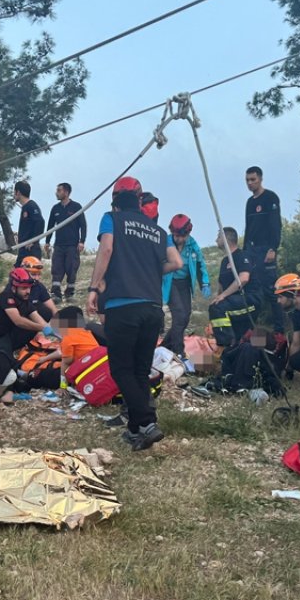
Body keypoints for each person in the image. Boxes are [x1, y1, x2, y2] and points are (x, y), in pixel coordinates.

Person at [87, 176, 183, 451]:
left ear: (116, 201)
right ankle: (135, 430)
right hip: (153, 308)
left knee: (121, 368)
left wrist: (94, 287)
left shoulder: (112, 219)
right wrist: (152, 272)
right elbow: (175, 262)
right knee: (140, 370)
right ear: (139, 200)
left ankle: (147, 421)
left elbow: (106, 248)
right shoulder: (157, 230)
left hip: (123, 306)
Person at [161, 214, 210, 355]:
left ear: (188, 233)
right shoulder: (166, 242)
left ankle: (164, 346)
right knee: (179, 315)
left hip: (184, 284)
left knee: (186, 316)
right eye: (176, 235)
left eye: (182, 236)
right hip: (170, 283)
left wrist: (205, 282)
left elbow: (201, 264)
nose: (178, 239)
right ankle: (178, 351)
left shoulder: (192, 245)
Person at [243, 166, 283, 332]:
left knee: (271, 290)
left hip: (266, 249)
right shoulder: (250, 202)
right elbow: (248, 227)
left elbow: (276, 225)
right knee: (253, 288)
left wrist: (273, 248)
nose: (250, 183)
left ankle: (279, 329)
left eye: (253, 179)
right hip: (252, 251)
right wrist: (244, 252)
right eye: (247, 180)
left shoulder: (270, 198)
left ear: (260, 179)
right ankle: (253, 328)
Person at [0, 267, 51, 353]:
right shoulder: (6, 297)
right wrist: (42, 328)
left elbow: (37, 317)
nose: (28, 291)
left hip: (4, 333)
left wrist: (53, 331)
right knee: (3, 359)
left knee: (44, 311)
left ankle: (14, 347)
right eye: (24, 288)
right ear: (14, 288)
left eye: (29, 288)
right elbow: (18, 321)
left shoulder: (24, 300)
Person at [208, 226, 259, 348]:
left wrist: (222, 298)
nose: (216, 240)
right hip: (233, 304)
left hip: (250, 300)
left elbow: (244, 278)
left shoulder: (242, 256)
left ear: (226, 238)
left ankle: (225, 345)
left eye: (219, 237)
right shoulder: (224, 261)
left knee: (217, 308)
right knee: (216, 308)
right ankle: (232, 352)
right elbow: (221, 289)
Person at [43, 182, 86, 301]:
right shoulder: (55, 208)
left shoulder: (76, 207)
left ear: (66, 192)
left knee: (71, 269)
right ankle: (56, 294)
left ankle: (70, 293)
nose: (56, 193)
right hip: (59, 245)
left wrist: (82, 241)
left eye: (59, 190)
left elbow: (83, 225)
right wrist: (47, 241)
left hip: (72, 245)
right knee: (56, 269)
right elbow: (50, 226)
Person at [13, 180, 43, 266]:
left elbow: (40, 222)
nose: (14, 194)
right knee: (16, 273)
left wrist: (33, 240)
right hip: (23, 248)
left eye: (14, 192)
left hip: (31, 249)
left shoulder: (31, 206)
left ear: (18, 192)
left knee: (28, 276)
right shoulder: (25, 207)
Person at [20, 255, 57, 322]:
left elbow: (53, 309)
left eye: (39, 274)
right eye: (33, 274)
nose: (37, 278)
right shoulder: (15, 288)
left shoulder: (39, 286)